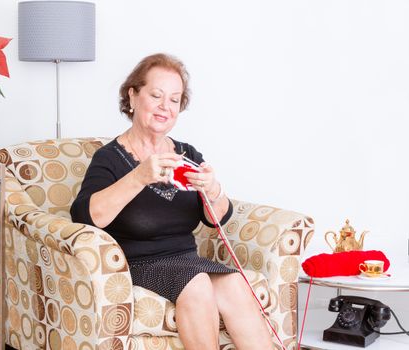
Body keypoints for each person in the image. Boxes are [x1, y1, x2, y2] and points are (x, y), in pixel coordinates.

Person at [70, 53, 273, 349]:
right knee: (198, 285)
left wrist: (213, 190)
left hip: (186, 260)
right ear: (133, 95)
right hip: (138, 263)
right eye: (156, 95)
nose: (165, 107)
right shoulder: (110, 158)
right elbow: (85, 216)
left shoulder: (187, 154)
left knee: (235, 284)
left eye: (175, 100)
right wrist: (139, 176)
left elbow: (216, 218)